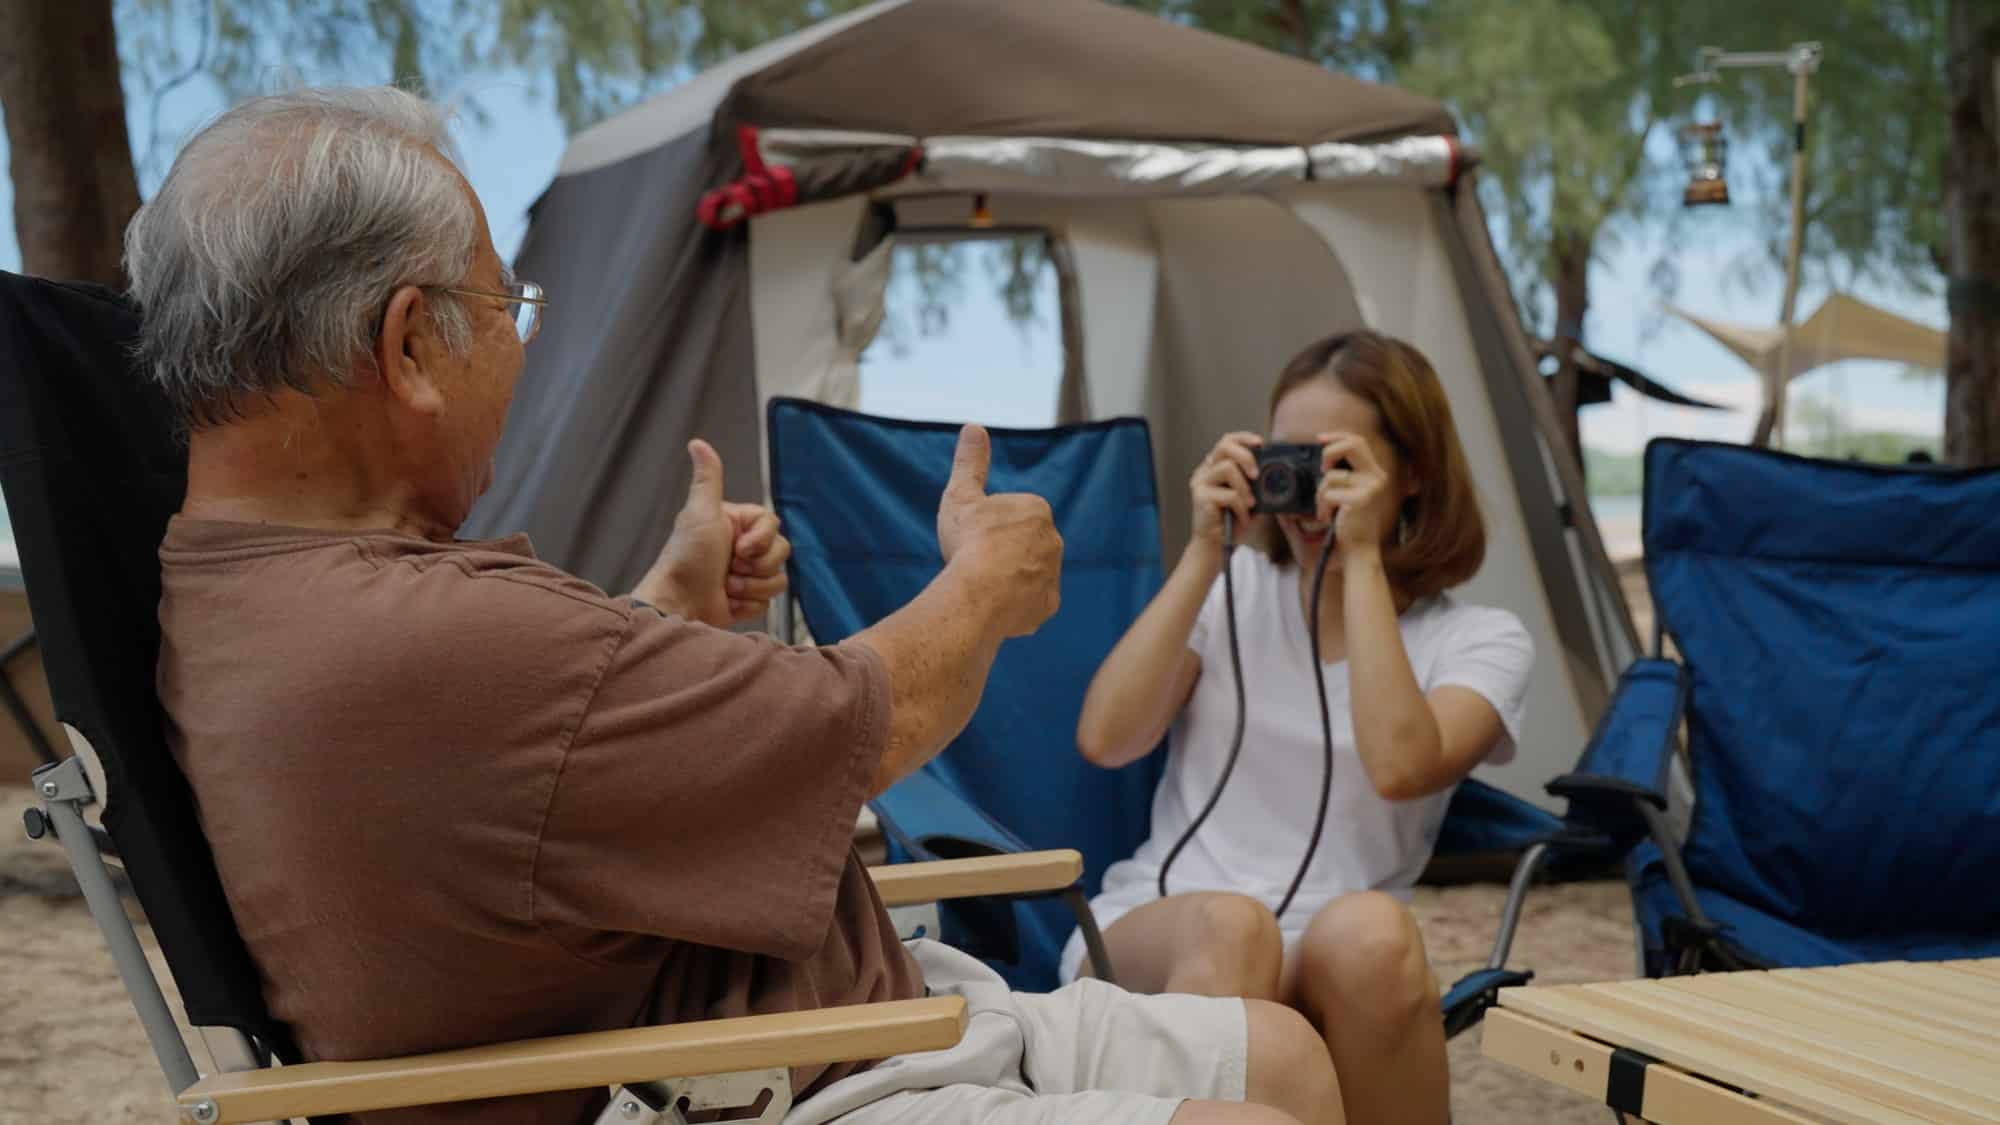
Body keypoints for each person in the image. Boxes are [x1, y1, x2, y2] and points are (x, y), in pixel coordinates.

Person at [133, 88, 1343, 1125]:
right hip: (762, 1084)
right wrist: (982, 587)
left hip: (826, 1024)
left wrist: (657, 610)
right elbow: (859, 722)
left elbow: (517, 763)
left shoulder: (255, 589)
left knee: (1288, 1054)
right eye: (509, 310)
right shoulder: (412, 635)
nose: (522, 347)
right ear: (406, 348)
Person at [1073, 331, 1536, 1125]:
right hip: (1169, 930)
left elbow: (1400, 763)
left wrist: (1358, 561)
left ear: (1412, 471)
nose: (1309, 490)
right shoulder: (1232, 591)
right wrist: (1201, 556)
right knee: (1234, 924)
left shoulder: (1482, 641)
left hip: (1331, 949)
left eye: (1337, 464)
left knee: (1376, 934)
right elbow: (1107, 739)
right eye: (1290, 460)